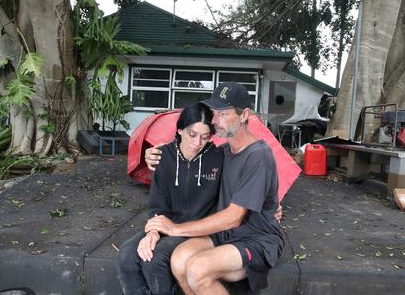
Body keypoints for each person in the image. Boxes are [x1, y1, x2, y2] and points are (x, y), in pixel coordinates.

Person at [144, 82, 284, 295]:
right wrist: (155, 154)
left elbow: (234, 217)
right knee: (179, 260)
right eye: (214, 113)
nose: (215, 120)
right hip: (225, 234)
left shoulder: (258, 155)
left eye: (224, 114)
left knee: (197, 269)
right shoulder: (225, 151)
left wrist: (175, 228)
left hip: (257, 238)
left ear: (244, 114)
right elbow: (186, 154)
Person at [117, 103, 224, 295]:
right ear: (180, 130)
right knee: (127, 255)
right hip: (167, 222)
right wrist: (153, 231)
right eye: (192, 134)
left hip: (199, 228)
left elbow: (242, 186)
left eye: (205, 136)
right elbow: (157, 202)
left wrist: (268, 204)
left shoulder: (219, 158)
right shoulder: (163, 156)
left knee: (156, 259)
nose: (197, 142)